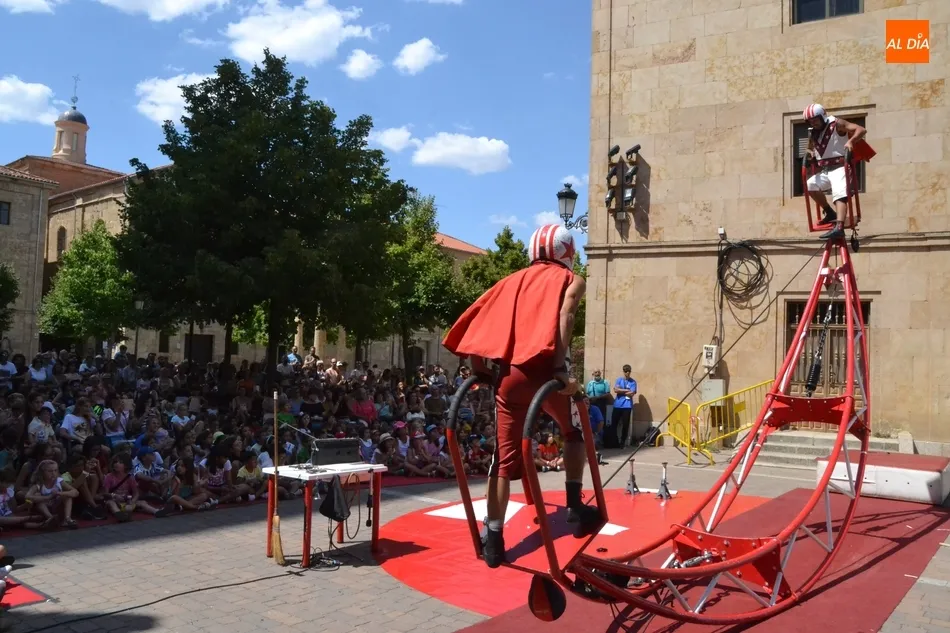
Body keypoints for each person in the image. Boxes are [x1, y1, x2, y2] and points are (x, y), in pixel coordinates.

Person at [442, 223, 602, 569]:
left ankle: (495, 539)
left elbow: (476, 320)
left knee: (503, 460)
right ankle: (575, 504)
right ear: (567, 252)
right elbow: (566, 315)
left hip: (510, 377)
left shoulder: (509, 282)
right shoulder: (572, 281)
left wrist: (478, 368)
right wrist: (561, 369)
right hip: (548, 374)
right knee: (575, 430)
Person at [802, 103, 867, 240]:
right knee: (810, 185)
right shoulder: (813, 133)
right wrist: (809, 155)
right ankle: (830, 212)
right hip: (826, 170)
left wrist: (851, 142)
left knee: (839, 192)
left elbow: (861, 130)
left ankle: (839, 226)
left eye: (815, 120)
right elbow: (810, 148)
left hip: (840, 167)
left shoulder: (837, 124)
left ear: (822, 116)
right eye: (811, 121)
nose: (813, 123)